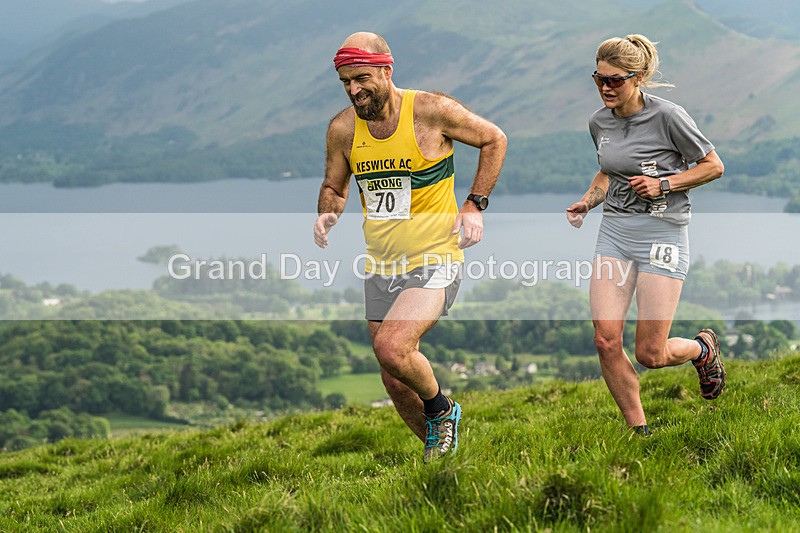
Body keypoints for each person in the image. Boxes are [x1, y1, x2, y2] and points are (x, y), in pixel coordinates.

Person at [314, 32, 507, 460]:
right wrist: (326, 214)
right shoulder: (343, 128)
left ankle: (443, 410)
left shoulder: (431, 111)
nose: (354, 89)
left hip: (435, 257)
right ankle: (445, 462)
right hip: (382, 265)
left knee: (392, 347)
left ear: (387, 70)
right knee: (394, 378)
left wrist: (474, 205)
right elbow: (335, 184)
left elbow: (495, 139)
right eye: (346, 81)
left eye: (362, 78)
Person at [566, 34, 726, 435]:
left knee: (651, 352)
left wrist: (665, 185)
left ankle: (702, 349)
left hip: (663, 234)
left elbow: (712, 166)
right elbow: (608, 169)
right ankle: (640, 430)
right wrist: (589, 200)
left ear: (638, 79)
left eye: (615, 80)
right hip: (615, 233)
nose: (605, 87)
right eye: (599, 79)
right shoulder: (598, 121)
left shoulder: (669, 116)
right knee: (605, 339)